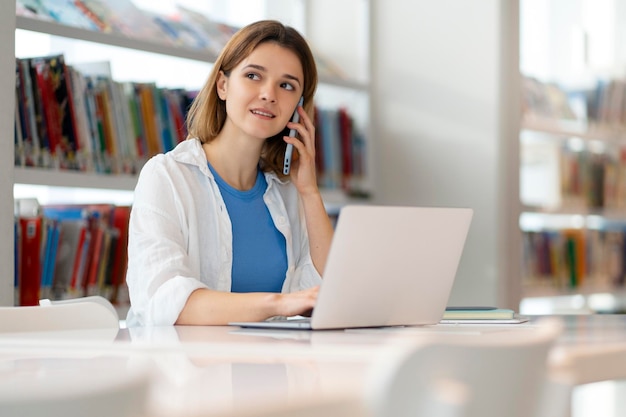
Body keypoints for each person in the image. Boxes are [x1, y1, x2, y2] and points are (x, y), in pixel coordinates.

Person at [125, 20, 334, 326]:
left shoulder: (288, 191)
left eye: (286, 85)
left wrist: (309, 192)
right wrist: (278, 303)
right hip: (187, 369)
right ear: (223, 85)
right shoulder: (167, 176)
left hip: (273, 369)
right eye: (253, 76)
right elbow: (164, 300)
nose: (269, 94)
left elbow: (325, 292)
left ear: (298, 107)